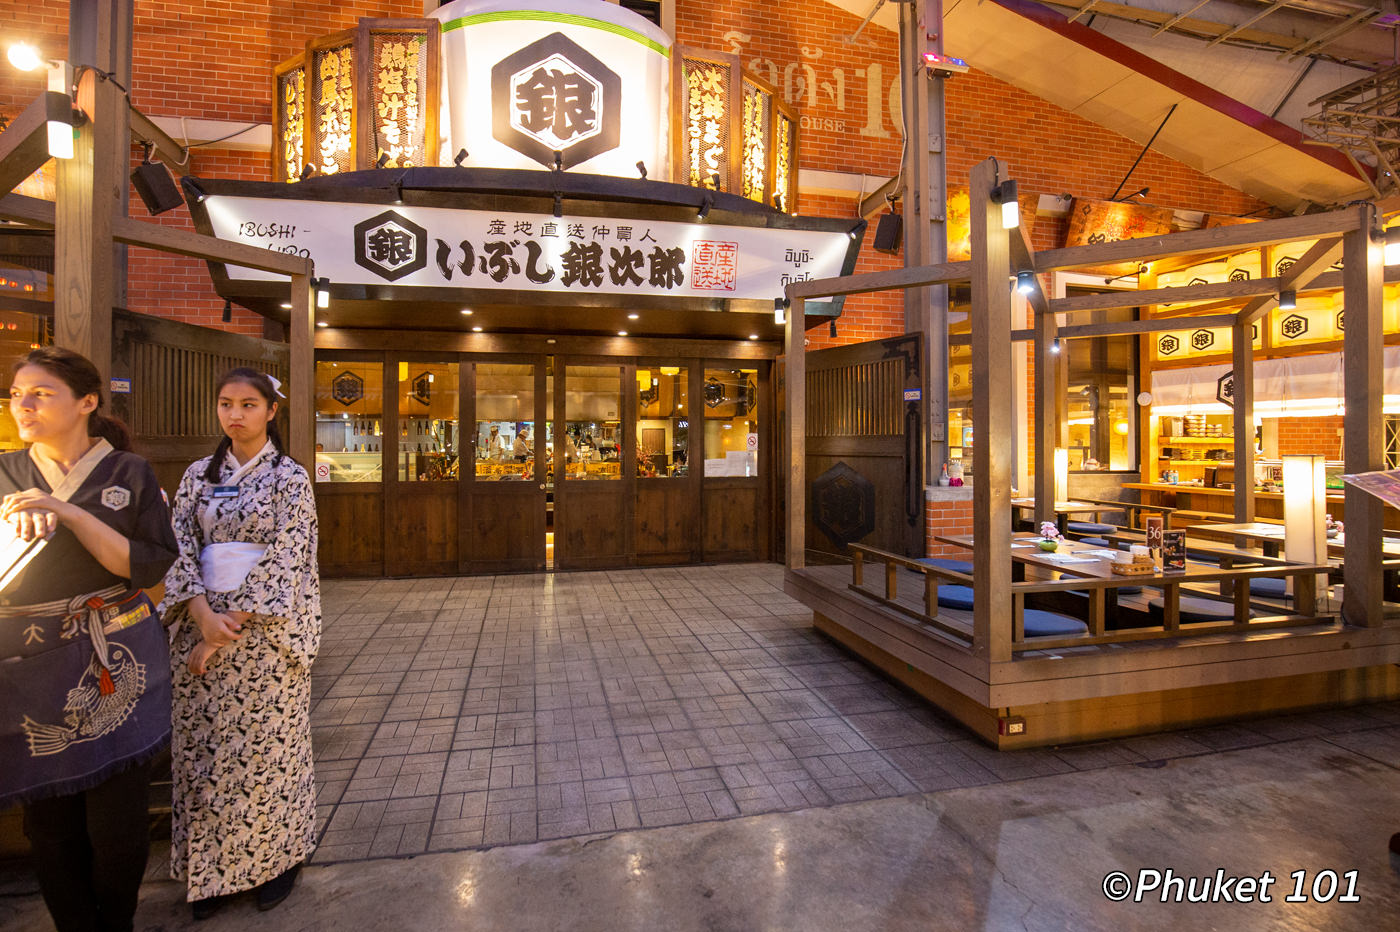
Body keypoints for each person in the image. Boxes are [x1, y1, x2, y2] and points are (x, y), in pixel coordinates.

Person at [0, 346, 178, 932]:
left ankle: (117, 923)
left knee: (119, 824)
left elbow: (144, 568)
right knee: (49, 820)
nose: (22, 404)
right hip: (33, 660)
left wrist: (66, 512)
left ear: (86, 403)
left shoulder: (129, 473)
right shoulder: (6, 472)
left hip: (116, 650)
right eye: (17, 393)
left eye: (40, 393)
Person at [159, 368, 320, 920]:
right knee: (203, 749)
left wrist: (231, 620)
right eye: (226, 403)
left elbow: (288, 556)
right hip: (200, 624)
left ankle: (278, 861)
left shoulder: (289, 479)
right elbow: (176, 544)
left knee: (267, 750)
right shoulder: (197, 476)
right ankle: (213, 875)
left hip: (264, 637)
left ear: (271, 411)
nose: (236, 414)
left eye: (249, 404)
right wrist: (201, 613)